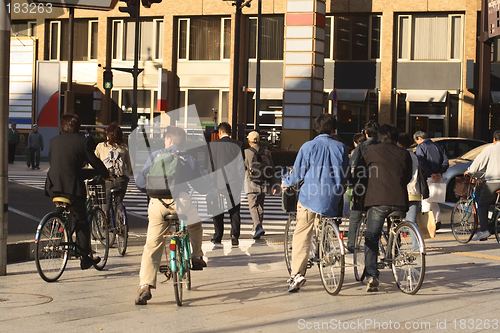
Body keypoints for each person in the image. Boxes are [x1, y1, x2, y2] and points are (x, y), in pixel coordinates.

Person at [134, 126, 213, 305]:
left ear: (168, 140)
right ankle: (196, 256)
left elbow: (140, 183)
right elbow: (203, 186)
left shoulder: (155, 155)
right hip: (181, 203)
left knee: (152, 245)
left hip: (157, 205)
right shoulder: (189, 159)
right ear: (182, 142)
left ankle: (145, 286)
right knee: (195, 224)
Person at [282, 113, 349, 292]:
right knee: (324, 226)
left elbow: (297, 175)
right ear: (333, 129)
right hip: (332, 198)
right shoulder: (341, 148)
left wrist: (285, 182)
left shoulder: (308, 146)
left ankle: (297, 274)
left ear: (316, 128)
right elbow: (345, 175)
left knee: (302, 233)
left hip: (310, 198)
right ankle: (326, 254)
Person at [44, 114, 110, 269]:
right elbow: (94, 161)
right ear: (77, 126)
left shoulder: (54, 141)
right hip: (72, 187)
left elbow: (59, 163)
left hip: (53, 186)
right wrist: (106, 174)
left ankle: (55, 223)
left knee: (64, 207)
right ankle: (85, 257)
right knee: (81, 221)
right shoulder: (82, 142)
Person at [363, 124, 413, 292]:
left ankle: (372, 274)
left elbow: (361, 170)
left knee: (371, 236)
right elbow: (407, 176)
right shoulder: (404, 153)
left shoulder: (373, 151)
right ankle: (394, 252)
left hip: (378, 200)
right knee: (395, 226)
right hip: (399, 200)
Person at [208, 122, 245, 246]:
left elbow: (210, 166)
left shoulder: (213, 145)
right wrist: (240, 182)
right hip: (234, 182)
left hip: (218, 183)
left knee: (217, 209)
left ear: (219, 132)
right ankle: (234, 235)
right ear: (230, 133)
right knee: (234, 210)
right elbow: (241, 166)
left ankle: (218, 235)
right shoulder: (238, 145)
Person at [346, 121, 379, 253]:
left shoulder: (361, 146)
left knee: (355, 217)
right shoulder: (383, 146)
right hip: (378, 185)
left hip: (362, 185)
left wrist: (350, 182)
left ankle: (352, 244)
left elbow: (352, 163)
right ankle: (372, 245)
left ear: (365, 133)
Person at [465, 130, 500, 241]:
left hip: (493, 182)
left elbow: (478, 163)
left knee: (483, 204)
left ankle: (484, 230)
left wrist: (469, 171)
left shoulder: (490, 148)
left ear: (494, 139)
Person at [94, 122, 133, 217]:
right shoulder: (124, 147)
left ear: (108, 135)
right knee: (118, 202)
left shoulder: (101, 146)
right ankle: (119, 219)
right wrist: (126, 175)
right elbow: (129, 164)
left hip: (107, 179)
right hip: (121, 179)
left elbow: (94, 162)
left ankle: (105, 221)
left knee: (106, 203)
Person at [244, 131, 277, 239]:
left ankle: (258, 227)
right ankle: (257, 227)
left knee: (253, 206)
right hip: (264, 182)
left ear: (249, 141)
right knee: (260, 206)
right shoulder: (266, 153)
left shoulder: (246, 152)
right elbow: (271, 169)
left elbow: (245, 166)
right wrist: (273, 185)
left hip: (251, 182)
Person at [414, 131, 449, 230]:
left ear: (419, 138)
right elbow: (445, 161)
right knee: (435, 200)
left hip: (427, 177)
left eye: (416, 140)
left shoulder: (421, 147)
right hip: (438, 176)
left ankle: (428, 224)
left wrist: (431, 173)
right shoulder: (438, 146)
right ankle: (438, 221)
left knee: (426, 200)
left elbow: (421, 162)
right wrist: (439, 172)